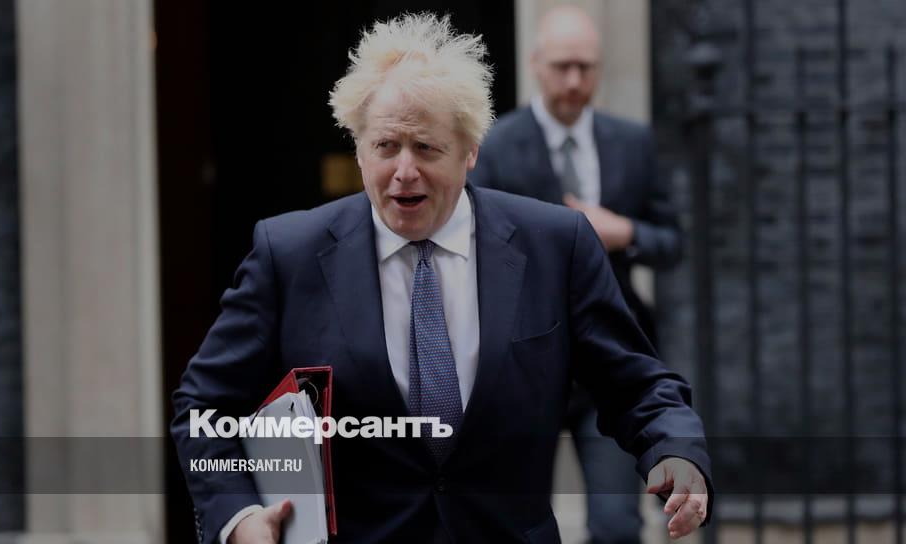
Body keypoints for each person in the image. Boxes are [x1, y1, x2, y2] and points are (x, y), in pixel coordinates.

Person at [171, 13, 709, 544]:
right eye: (386, 146)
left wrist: (677, 452)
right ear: (359, 150)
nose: (405, 171)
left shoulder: (555, 245)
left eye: (426, 147)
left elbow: (636, 383)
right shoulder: (289, 254)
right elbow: (202, 406)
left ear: (470, 151)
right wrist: (238, 516)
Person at [469, 6, 682, 542]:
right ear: (536, 63)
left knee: (617, 527)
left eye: (585, 67)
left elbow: (672, 241)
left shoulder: (633, 141)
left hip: (607, 364)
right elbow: (473, 246)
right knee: (515, 526)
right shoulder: (496, 144)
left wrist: (623, 232)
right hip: (523, 365)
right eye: (562, 66)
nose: (573, 80)